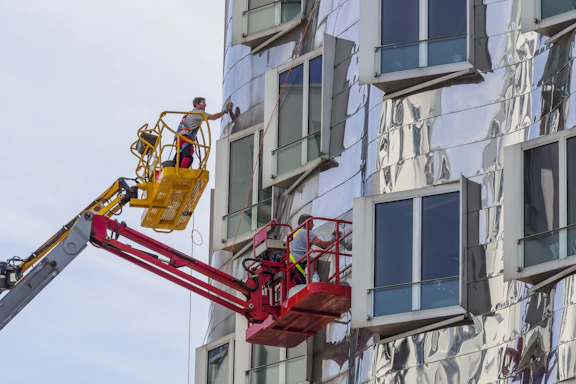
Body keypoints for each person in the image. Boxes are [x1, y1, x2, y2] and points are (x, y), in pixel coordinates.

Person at [175, 97, 232, 168]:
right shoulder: (198, 113)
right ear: (197, 105)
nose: (205, 105)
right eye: (203, 103)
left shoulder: (190, 113)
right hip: (185, 138)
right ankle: (181, 173)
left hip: (180, 138)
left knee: (180, 157)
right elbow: (213, 117)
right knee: (187, 157)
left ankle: (176, 169)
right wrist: (225, 111)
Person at [289, 214, 334, 284]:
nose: (313, 225)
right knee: (315, 261)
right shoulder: (305, 232)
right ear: (305, 223)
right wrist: (334, 240)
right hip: (297, 266)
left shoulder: (295, 234)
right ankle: (318, 282)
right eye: (311, 222)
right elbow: (323, 245)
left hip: (293, 266)